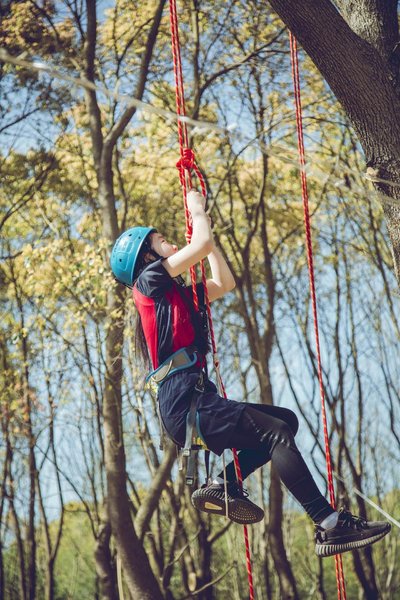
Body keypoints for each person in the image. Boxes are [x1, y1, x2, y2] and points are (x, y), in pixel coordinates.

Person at [110, 189, 391, 557]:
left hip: (191, 403)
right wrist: (196, 210)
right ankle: (328, 524)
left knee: (285, 421)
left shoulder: (174, 296)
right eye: (161, 240)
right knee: (275, 433)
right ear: (146, 255)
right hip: (185, 404)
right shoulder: (148, 281)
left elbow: (224, 282)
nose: (170, 241)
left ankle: (224, 483)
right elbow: (200, 244)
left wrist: (206, 237)